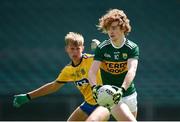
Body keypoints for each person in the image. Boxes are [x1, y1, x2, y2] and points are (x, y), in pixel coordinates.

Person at [13, 32, 110, 121]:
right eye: (72, 48)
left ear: (82, 48)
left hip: (105, 102)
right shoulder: (68, 70)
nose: (75, 52)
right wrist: (28, 96)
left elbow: (113, 64)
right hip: (89, 104)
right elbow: (53, 86)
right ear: (67, 49)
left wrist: (103, 51)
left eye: (78, 49)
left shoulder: (92, 60)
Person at [87, 9, 139, 121]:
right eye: (108, 28)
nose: (111, 31)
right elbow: (92, 71)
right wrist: (94, 87)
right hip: (111, 95)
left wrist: (122, 89)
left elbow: (132, 70)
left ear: (123, 28)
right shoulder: (102, 48)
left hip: (129, 94)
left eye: (114, 28)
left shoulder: (132, 48)